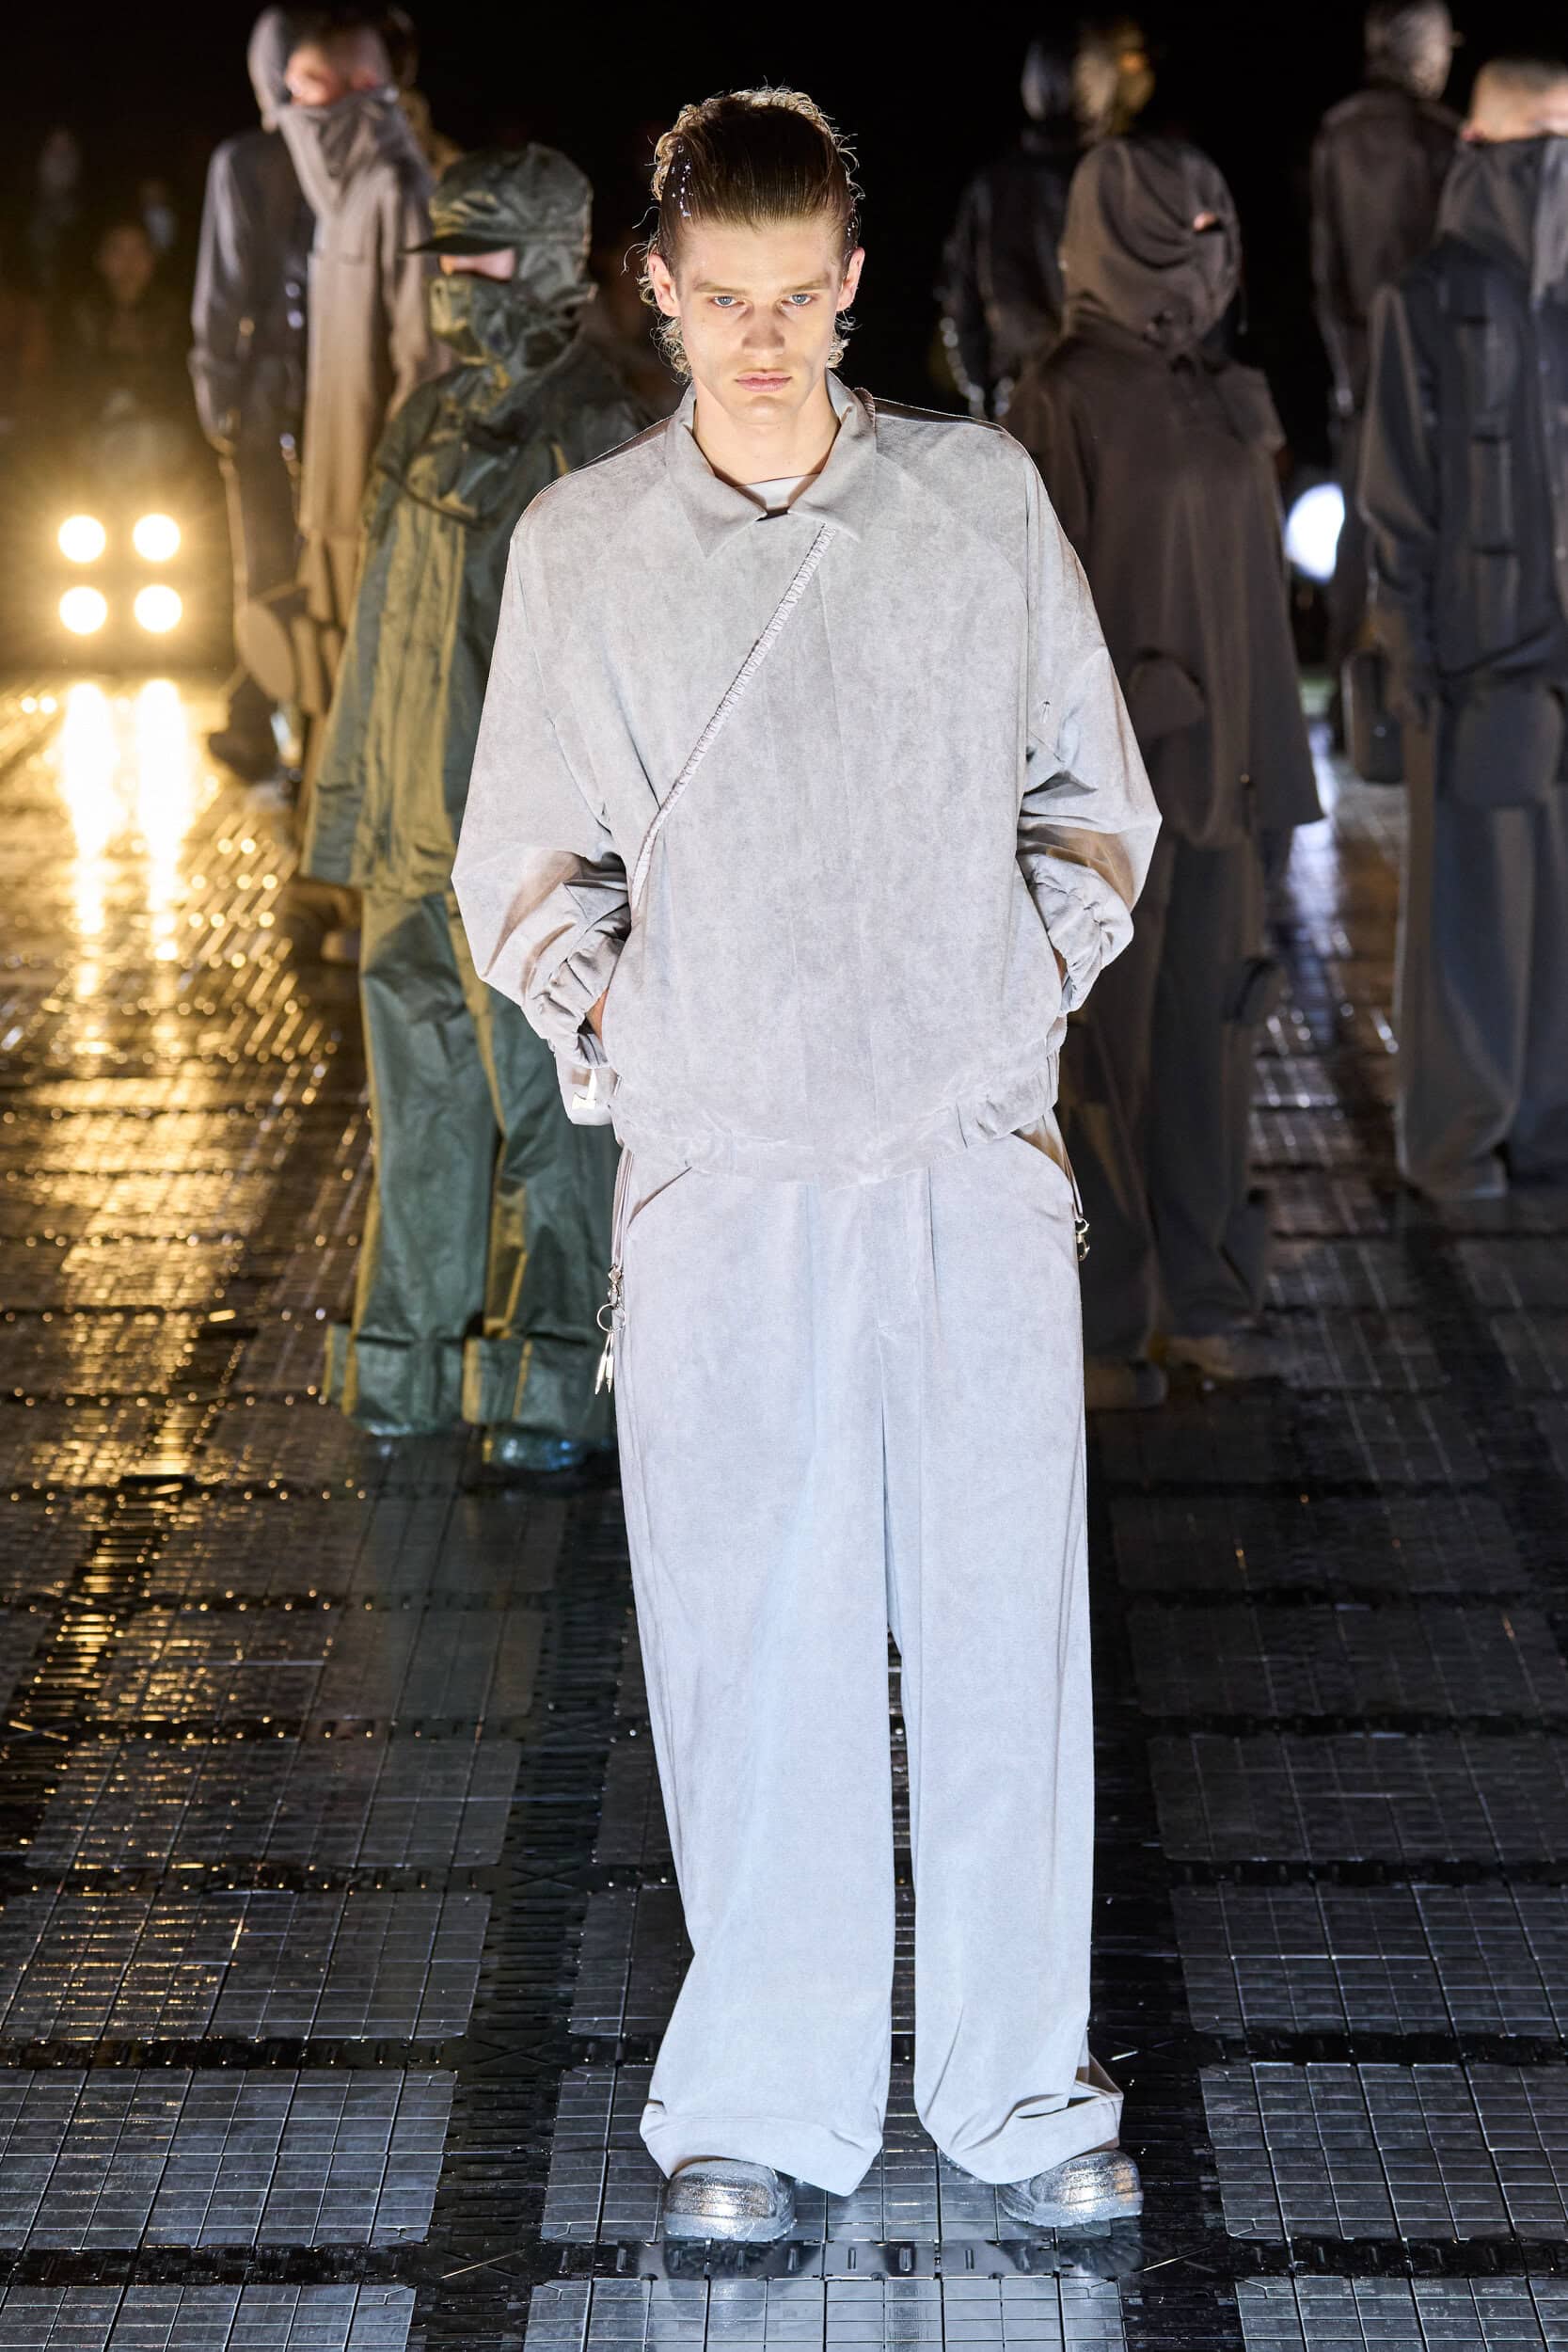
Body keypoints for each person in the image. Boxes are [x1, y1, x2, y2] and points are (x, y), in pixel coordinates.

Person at [455, 87, 1159, 2241]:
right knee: (748, 1635)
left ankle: (1022, 2086)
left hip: (958, 1156)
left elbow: (1094, 797)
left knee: (1001, 1631)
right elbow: (516, 862)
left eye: (797, 298)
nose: (760, 342)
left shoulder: (973, 499)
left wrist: (1010, 1000)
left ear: (852, 285)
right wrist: (631, 1033)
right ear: (657, 292)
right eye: (721, 300)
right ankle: (758, 2098)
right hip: (729, 1174)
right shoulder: (582, 548)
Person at [301, 147, 648, 1463]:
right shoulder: (427, 420)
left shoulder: (602, 426)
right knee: (421, 1111)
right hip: (408, 836)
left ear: (547, 260)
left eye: (480, 256)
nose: (454, 283)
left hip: (523, 852)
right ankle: (411, 1360)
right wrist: (345, 820)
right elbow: (374, 634)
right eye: (441, 258)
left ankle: (557, 1377)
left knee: (552, 1116)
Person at [1010, 141, 1320, 1403]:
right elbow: (1032, 606)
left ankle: (1203, 1298)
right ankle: (1103, 1319)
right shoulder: (1064, 392)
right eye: (1176, 221)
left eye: (1214, 218)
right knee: (1104, 1057)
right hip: (1116, 797)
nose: (1207, 240)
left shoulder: (1216, 383)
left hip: (1230, 787)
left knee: (1214, 1038)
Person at [1360, 56, 1568, 1200]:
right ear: (1484, 145)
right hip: (1477, 661)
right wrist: (1410, 654)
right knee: (1469, 916)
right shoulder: (1425, 300)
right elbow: (1395, 498)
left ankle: (1547, 1130)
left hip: (1553, 661)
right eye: (1543, 136)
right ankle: (1454, 1140)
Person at [277, 11, 443, 720]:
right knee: (331, 681)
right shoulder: (341, 198)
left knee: (370, 693)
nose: (293, 106)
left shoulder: (399, 190)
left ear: (364, 83)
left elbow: (424, 358)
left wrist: (390, 487)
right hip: (333, 496)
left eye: (309, 85)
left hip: (373, 499)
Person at [1312, 1, 1459, 709]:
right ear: (1419, 49)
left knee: (1360, 527)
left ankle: (1355, 698)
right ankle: (1419, 695)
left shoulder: (1338, 132)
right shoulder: (1444, 135)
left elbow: (1326, 269)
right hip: (1435, 369)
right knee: (1432, 525)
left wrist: (1347, 371)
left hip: (1361, 364)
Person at [191, 7, 316, 785]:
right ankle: (260, 720)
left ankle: (273, 721)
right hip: (276, 396)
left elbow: (223, 288)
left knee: (294, 561)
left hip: (315, 395)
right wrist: (221, 393)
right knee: (273, 560)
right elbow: (226, 284)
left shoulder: (348, 158)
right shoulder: (249, 162)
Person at [940, 18, 1154, 418]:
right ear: (1103, 86)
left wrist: (984, 398)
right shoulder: (1127, 181)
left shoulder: (993, 186)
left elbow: (962, 304)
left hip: (1024, 402)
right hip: (1110, 406)